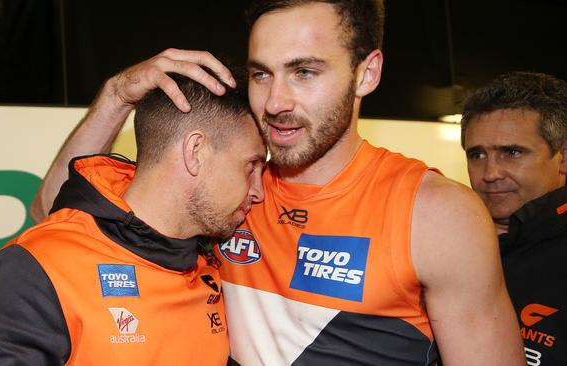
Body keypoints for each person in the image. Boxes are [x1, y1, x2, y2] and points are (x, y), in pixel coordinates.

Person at [31, 1, 525, 365]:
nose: (275, 101)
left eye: (304, 72)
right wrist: (118, 95)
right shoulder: (221, 185)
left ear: (367, 74)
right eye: (261, 74)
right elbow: (56, 212)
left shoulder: (436, 213)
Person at [0, 72, 267, 365]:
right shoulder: (39, 266)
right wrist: (117, 94)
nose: (258, 192)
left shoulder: (216, 257)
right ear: (195, 151)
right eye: (250, 165)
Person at [461, 71, 567, 366]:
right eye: (477, 155)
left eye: (512, 152)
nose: (491, 173)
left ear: (563, 158)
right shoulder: (450, 244)